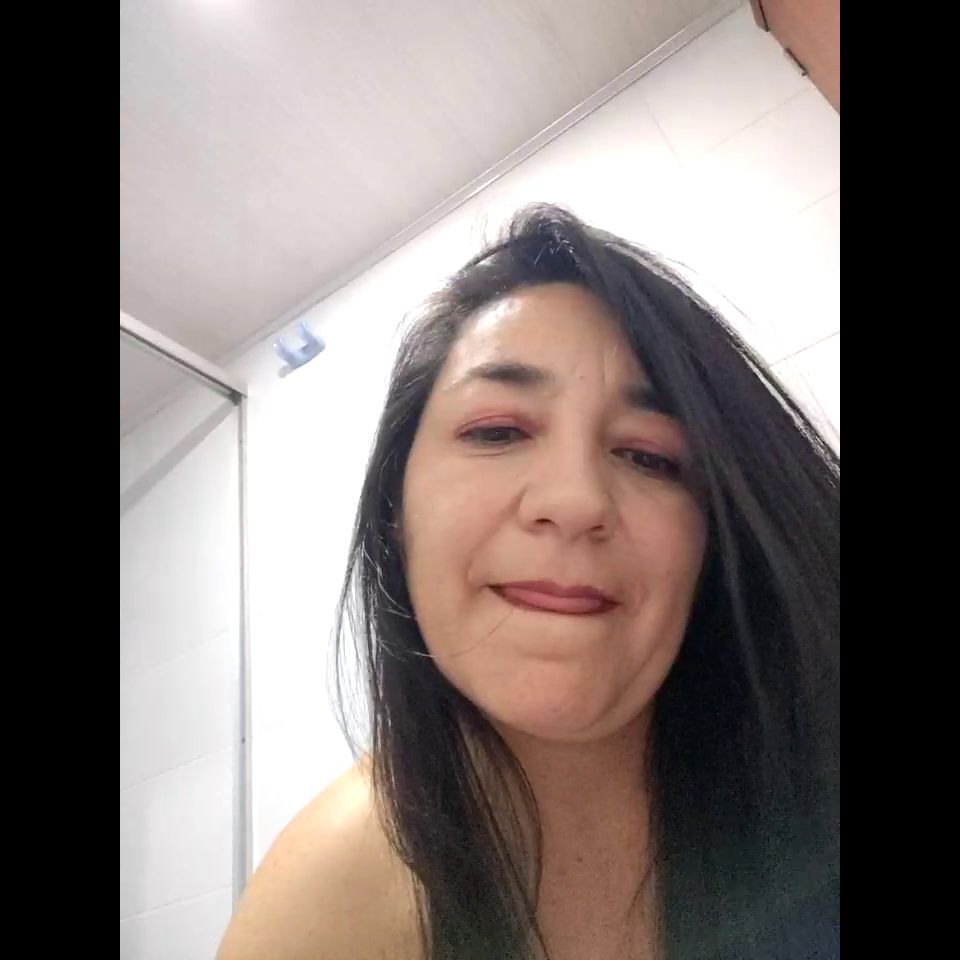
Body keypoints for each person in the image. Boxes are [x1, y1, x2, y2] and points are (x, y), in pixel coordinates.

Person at [217, 204, 840, 960]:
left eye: (648, 455)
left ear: (713, 537)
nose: (576, 501)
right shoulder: (329, 891)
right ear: (396, 513)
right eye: (497, 431)